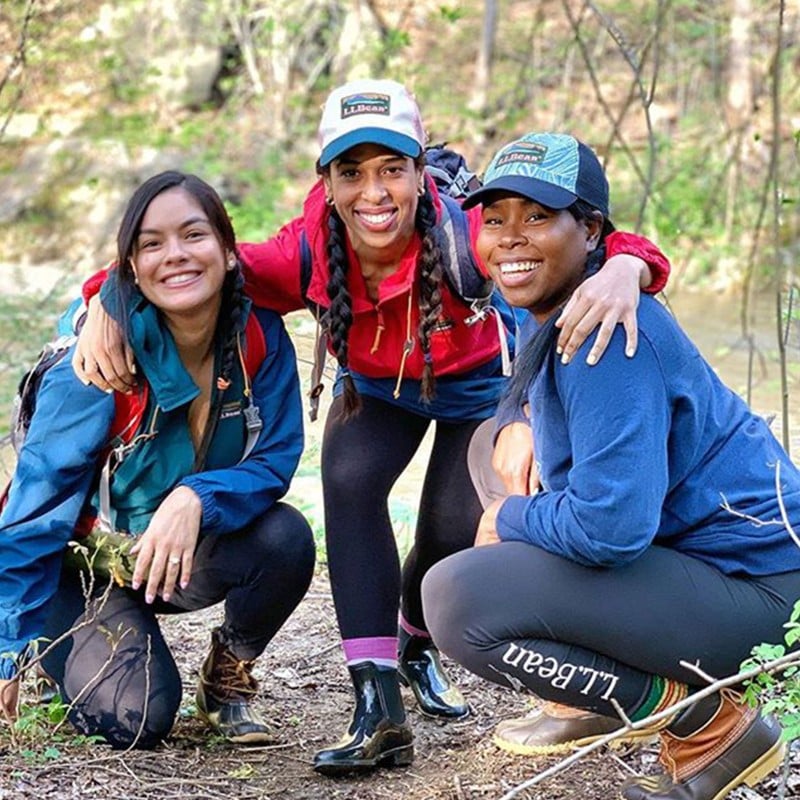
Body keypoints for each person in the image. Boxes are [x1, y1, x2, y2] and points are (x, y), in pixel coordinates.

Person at [71, 79, 672, 773]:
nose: (374, 192)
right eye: (351, 172)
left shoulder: (465, 233)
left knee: (451, 533)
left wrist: (628, 265)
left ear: (421, 171)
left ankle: (414, 644)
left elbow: (589, 238)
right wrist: (105, 299)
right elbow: (194, 263)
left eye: (393, 169)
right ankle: (377, 707)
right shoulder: (301, 252)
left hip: (476, 387)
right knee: (349, 480)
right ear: (327, 182)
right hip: (380, 389)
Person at [422, 132, 800, 800]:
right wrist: (523, 426)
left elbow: (609, 529)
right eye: (495, 218)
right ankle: (603, 688)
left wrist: (508, 517)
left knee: (460, 599)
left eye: (537, 217)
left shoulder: (603, 333)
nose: (511, 237)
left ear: (590, 230)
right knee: (492, 451)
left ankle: (710, 723)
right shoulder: (561, 311)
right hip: (712, 570)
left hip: (762, 589)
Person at [0, 171, 316, 750]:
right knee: (136, 717)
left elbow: (274, 459)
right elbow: (33, 513)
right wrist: (6, 645)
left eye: (193, 235)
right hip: (79, 566)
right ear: (132, 266)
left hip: (165, 554)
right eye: (151, 243)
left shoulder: (258, 339)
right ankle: (56, 653)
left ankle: (227, 678)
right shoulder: (97, 367)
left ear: (227, 249)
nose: (175, 255)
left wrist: (198, 497)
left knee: (285, 538)